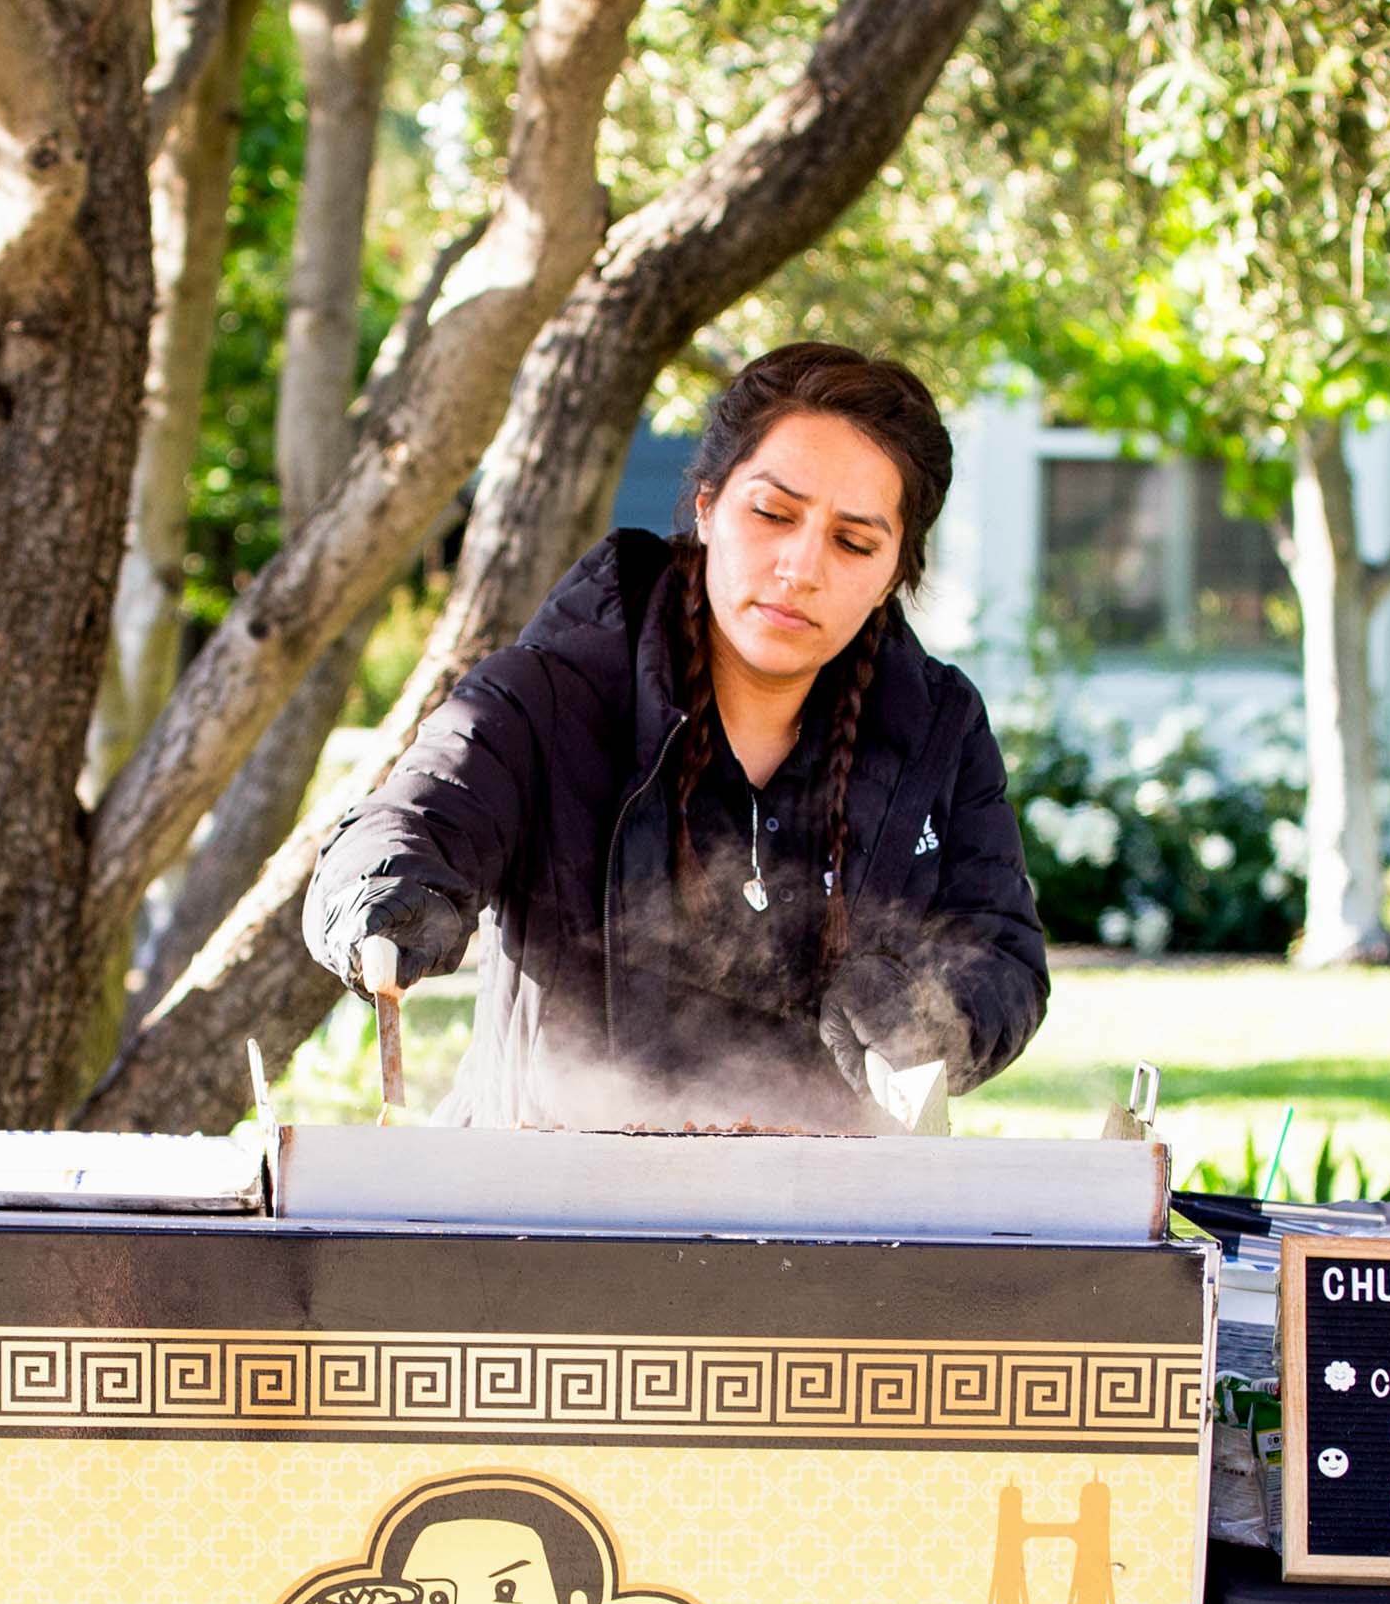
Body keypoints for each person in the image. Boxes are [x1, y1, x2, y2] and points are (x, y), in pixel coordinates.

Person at [303, 342, 1046, 1131]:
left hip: (826, 1194)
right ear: (706, 507)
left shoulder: (936, 728)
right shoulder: (546, 694)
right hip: (542, 1187)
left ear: (894, 572)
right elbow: (412, 819)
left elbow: (1002, 955)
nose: (801, 567)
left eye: (853, 542)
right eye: (773, 514)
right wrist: (384, 895)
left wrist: (928, 1014)